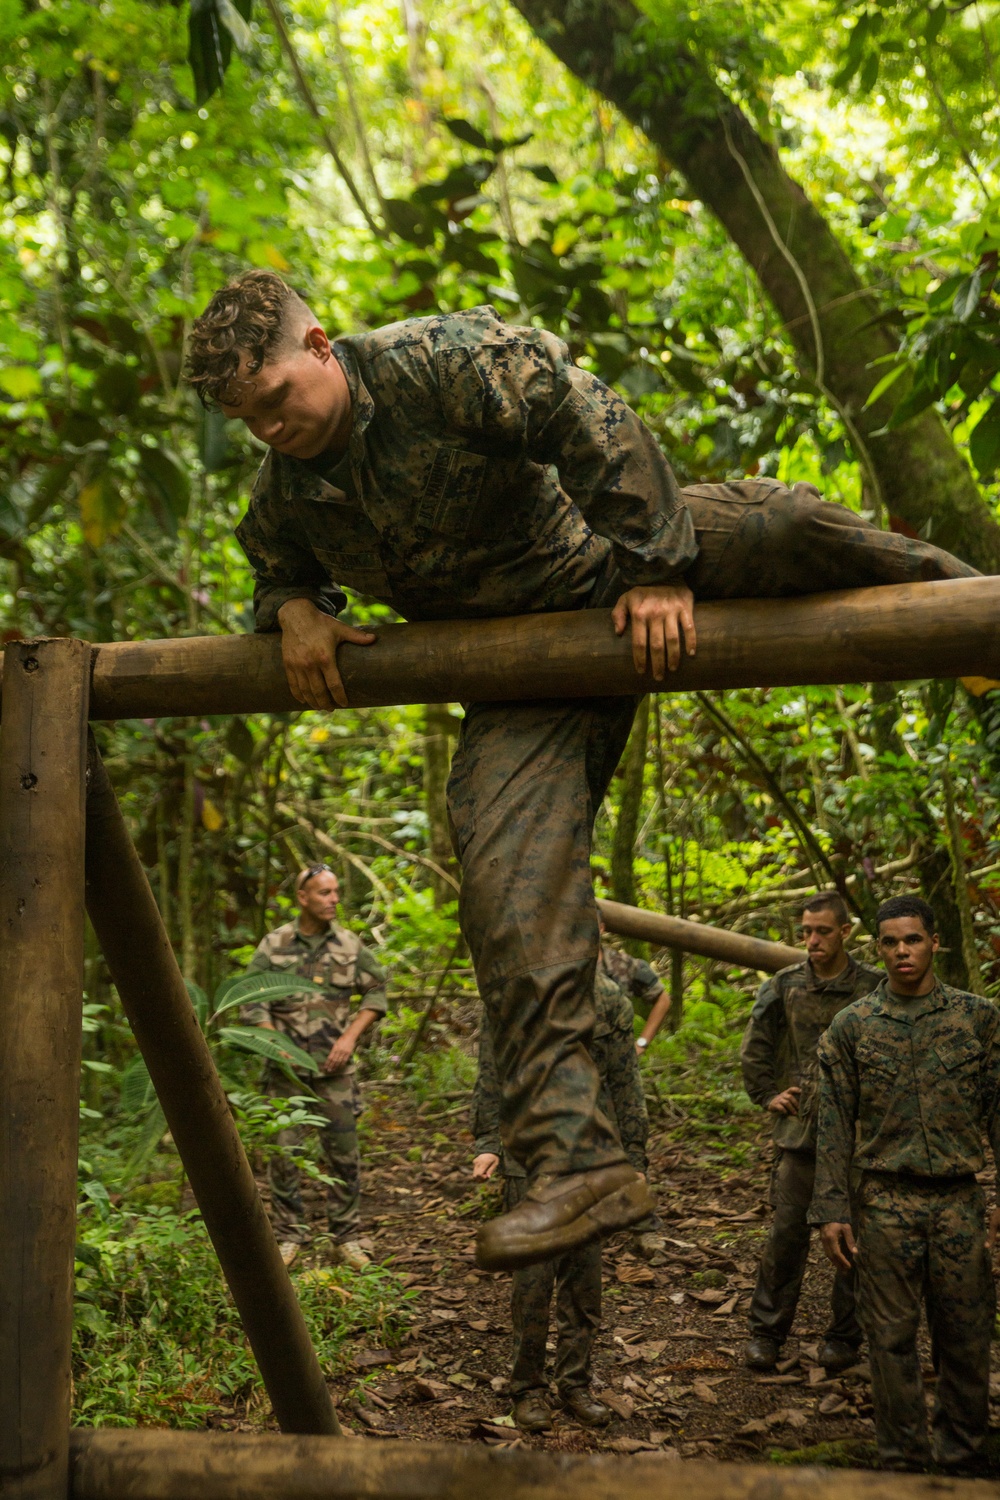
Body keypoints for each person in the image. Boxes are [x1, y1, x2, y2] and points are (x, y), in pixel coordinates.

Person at [187, 270, 976, 1272]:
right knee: (506, 886)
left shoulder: (438, 359)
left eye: (273, 399)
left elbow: (577, 405)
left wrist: (652, 567)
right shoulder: (285, 490)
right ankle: (579, 1165)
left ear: (321, 347)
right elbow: (275, 566)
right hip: (522, 678)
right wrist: (293, 609)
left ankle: (983, 637)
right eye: (241, 418)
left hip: (608, 562)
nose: (267, 429)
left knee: (791, 527)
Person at [811, 895, 1000, 1472]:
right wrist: (831, 1211)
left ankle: (963, 1455)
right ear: (877, 948)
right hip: (884, 1199)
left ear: (934, 942)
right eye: (890, 942)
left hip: (958, 1199)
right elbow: (835, 1123)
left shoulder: (979, 1018)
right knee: (889, 1341)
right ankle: (901, 1460)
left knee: (966, 1336)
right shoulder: (853, 1025)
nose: (901, 952)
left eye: (912, 939)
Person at [471, 967, 649, 1433]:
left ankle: (575, 1384)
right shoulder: (515, 988)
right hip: (529, 1152)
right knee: (532, 1280)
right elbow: (492, 1070)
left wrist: (635, 1154)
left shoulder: (609, 998)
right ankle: (527, 1388)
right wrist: (488, 1140)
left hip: (593, 1155)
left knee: (584, 1279)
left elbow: (625, 1080)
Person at [740, 892, 881, 1374]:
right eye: (806, 931)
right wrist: (768, 1094)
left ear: (845, 932)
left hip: (861, 1140)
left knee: (857, 1243)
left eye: (822, 931)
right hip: (802, 1138)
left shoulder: (874, 987)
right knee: (785, 1240)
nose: (813, 940)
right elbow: (755, 1047)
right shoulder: (784, 985)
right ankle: (765, 1334)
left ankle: (844, 1338)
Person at [243, 862, 387, 1270]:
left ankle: (346, 1239)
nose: (334, 900)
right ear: (302, 898)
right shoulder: (274, 945)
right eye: (324, 893)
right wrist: (275, 1044)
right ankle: (289, 1237)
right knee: (284, 1155)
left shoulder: (349, 944)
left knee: (344, 1155)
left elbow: (377, 991)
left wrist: (349, 1037)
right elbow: (251, 1001)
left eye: (336, 891)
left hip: (335, 1073)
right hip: (285, 1074)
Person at [597, 921, 668, 1055]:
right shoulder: (561, 967)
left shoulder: (621, 964)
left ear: (601, 927)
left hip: (618, 1064)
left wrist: (641, 1043)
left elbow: (663, 1000)